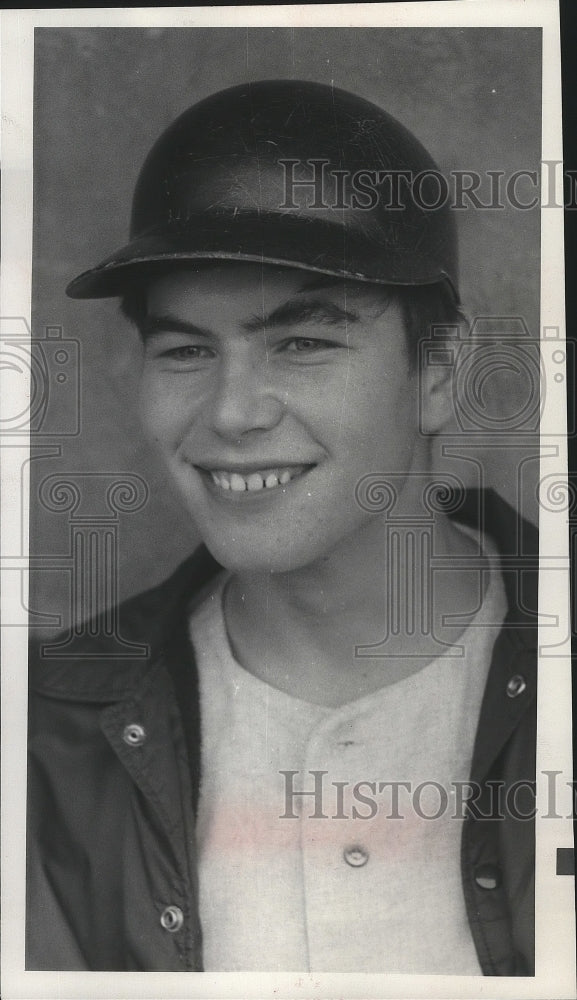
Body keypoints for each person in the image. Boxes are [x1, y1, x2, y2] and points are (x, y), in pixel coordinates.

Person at [27, 79, 537, 974]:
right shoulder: (46, 734)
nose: (232, 412)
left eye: (302, 343)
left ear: (438, 372)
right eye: (186, 350)